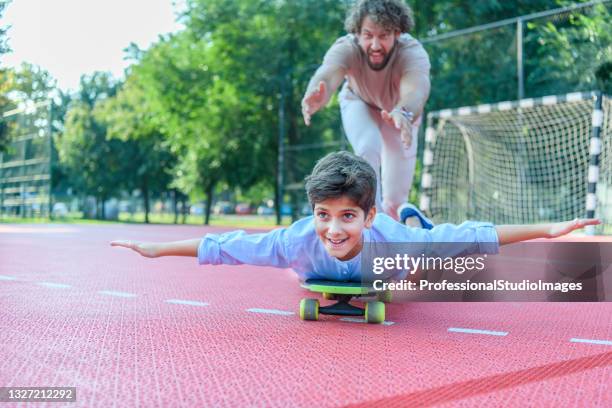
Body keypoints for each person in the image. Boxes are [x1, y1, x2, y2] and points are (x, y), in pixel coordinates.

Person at [111, 151, 599, 283]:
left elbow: (475, 237)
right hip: (362, 254)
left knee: (426, 252)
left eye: (348, 216)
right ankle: (412, 220)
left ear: (367, 216)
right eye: (323, 215)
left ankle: (411, 220)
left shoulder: (390, 241)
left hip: (393, 253)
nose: (333, 229)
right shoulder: (295, 240)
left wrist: (549, 229)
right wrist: (156, 249)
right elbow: (224, 246)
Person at [301, 0, 430, 224]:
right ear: (357, 33)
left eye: (384, 35)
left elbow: (416, 90)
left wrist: (405, 113)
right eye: (368, 35)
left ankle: (393, 229)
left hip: (398, 114)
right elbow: (328, 74)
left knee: (397, 200)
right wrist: (317, 92)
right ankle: (371, 225)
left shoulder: (412, 52)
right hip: (359, 103)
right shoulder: (346, 47)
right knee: (368, 147)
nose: (375, 45)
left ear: (398, 33)